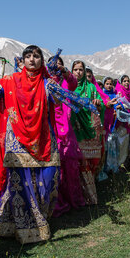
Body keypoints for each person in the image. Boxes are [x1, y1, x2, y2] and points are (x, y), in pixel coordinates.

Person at [0, 45, 60, 244]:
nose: (32, 59)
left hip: (44, 140)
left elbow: (59, 101)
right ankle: (22, 226)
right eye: (28, 56)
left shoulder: (48, 83)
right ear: (22, 60)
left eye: (37, 56)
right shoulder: (9, 82)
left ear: (41, 60)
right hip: (17, 140)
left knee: (49, 181)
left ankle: (35, 217)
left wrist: (57, 79)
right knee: (19, 186)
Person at [51, 57, 86, 217]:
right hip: (50, 126)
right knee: (54, 167)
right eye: (53, 63)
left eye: (58, 64)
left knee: (70, 165)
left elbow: (73, 84)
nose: (56, 66)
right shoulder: (45, 81)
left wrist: (64, 71)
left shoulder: (66, 82)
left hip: (65, 127)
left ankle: (73, 199)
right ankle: (56, 201)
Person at [71, 60, 103, 205]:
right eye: (75, 69)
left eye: (81, 70)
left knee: (88, 163)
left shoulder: (90, 87)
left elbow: (100, 103)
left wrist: (97, 102)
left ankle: (89, 196)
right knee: (75, 162)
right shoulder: (68, 86)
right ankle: (76, 196)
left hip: (88, 129)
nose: (78, 72)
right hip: (73, 128)